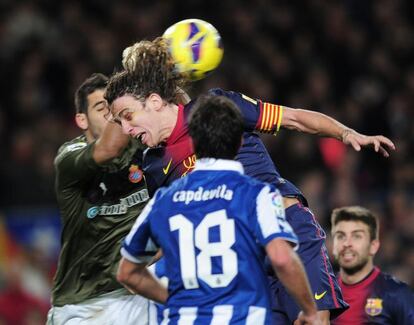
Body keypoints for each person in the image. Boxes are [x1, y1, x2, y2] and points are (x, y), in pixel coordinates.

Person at [104, 38, 395, 323]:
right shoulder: (154, 164)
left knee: (315, 319)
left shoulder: (216, 109)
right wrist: (134, 264)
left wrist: (346, 134)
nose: (127, 129)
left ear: (154, 101)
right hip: (239, 260)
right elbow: (171, 231)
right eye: (120, 123)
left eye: (128, 116)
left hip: (287, 231)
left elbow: (292, 118)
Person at [117, 95, 321, 324]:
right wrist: (309, 309)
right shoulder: (258, 194)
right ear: (240, 143)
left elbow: (127, 273)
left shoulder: (164, 200)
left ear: (193, 144)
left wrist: (177, 300)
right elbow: (282, 259)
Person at [47, 73, 152, 324]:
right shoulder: (69, 158)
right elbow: (109, 148)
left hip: (135, 296)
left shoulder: (145, 151)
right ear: (81, 120)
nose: (110, 112)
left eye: (113, 105)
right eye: (101, 107)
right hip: (82, 305)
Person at [330, 206, 414, 324]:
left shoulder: (396, 294)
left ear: (373, 246)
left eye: (356, 236)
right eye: (341, 236)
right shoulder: (322, 292)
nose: (347, 243)